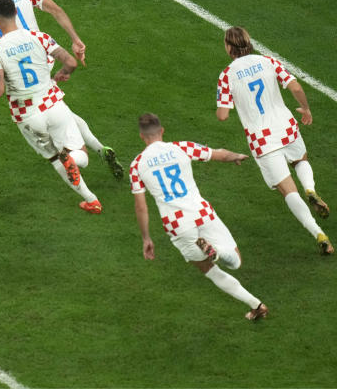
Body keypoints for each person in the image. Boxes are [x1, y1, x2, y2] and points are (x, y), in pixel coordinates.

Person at [0, 0, 123, 180]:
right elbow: (56, 10)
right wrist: (75, 40)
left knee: (53, 114)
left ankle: (87, 153)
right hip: (43, 57)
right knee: (59, 108)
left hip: (18, 69)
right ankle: (100, 149)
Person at [0, 0, 103, 214]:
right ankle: (73, 160)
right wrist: (63, 73)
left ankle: (91, 199)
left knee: (54, 158)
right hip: (53, 104)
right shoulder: (40, 37)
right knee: (81, 156)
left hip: (27, 114)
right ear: (15, 14)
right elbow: (70, 61)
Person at [130, 113, 268, 321]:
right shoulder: (181, 147)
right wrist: (235, 156)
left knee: (207, 268)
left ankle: (256, 304)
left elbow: (141, 207)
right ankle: (220, 252)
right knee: (236, 260)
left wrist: (146, 238)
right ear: (162, 131)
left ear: (142, 136)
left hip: (177, 223)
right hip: (200, 211)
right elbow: (218, 154)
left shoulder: (137, 165)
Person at [216, 26, 332, 255]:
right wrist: (306, 109)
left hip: (262, 139)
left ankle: (319, 233)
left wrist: (230, 104)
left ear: (229, 47)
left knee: (288, 191)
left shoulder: (226, 75)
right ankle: (310, 189)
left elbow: (222, 115)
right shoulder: (269, 61)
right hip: (286, 126)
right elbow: (295, 86)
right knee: (300, 160)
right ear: (248, 43)